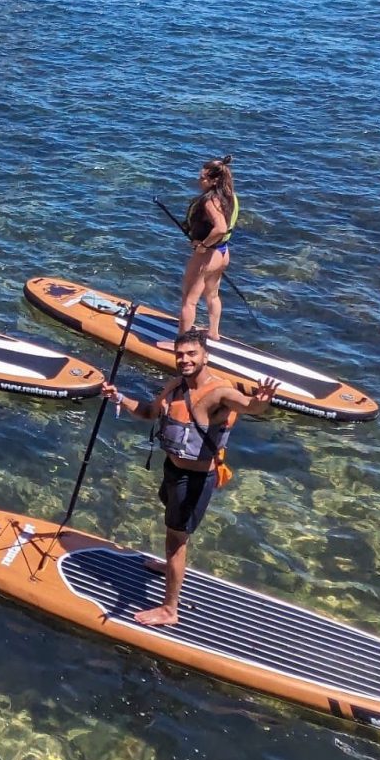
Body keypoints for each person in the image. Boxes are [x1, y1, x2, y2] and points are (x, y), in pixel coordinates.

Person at [100, 328, 278, 626]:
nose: (184, 359)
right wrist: (119, 397)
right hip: (172, 471)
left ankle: (170, 610)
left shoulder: (219, 392)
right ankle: (169, 568)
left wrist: (262, 402)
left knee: (176, 541)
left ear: (205, 356)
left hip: (193, 482)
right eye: (179, 354)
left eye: (191, 354)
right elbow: (148, 412)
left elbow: (247, 405)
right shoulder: (176, 386)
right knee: (173, 532)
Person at [165, 154, 239, 348]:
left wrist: (203, 245)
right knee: (212, 295)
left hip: (208, 255)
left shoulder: (209, 201)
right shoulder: (229, 197)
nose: (199, 181)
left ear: (214, 180)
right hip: (223, 253)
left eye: (202, 178)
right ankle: (213, 332)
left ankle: (181, 344)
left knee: (189, 300)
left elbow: (221, 227)